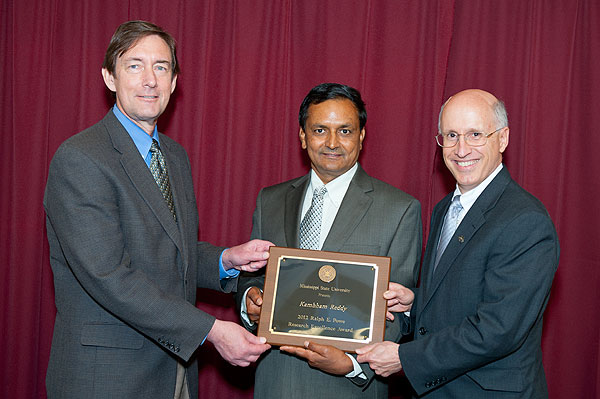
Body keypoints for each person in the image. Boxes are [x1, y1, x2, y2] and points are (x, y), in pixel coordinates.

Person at [44, 21, 272, 399]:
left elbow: (169, 251)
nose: (150, 80)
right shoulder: (81, 158)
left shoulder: (174, 157)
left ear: (174, 80)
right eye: (134, 65)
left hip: (174, 373)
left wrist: (226, 260)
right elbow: (109, 274)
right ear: (109, 78)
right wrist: (210, 330)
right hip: (108, 378)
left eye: (161, 67)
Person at [356, 89, 560, 398]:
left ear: (502, 139)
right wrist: (416, 302)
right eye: (450, 136)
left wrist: (404, 357)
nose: (461, 149)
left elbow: (497, 330)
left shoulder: (525, 220)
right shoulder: (446, 208)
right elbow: (464, 292)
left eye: (475, 134)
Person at [235, 83, 422, 398]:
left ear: (361, 136)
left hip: (349, 386)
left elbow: (398, 313)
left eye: (345, 131)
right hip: (276, 382)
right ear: (302, 135)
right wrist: (249, 302)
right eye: (320, 130)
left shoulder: (400, 209)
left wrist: (351, 363)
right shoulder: (271, 200)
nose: (332, 143)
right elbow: (251, 278)